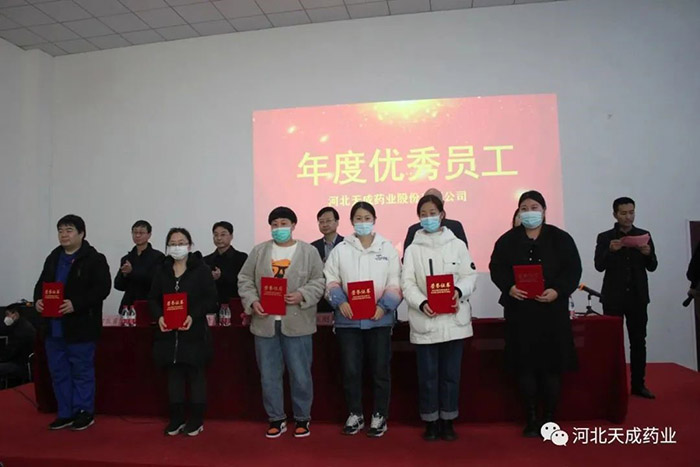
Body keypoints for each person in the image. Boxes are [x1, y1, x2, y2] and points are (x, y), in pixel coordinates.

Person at [489, 191, 582, 438]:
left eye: (534, 207)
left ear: (544, 210)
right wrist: (509, 287)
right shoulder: (507, 240)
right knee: (525, 367)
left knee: (551, 367)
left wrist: (557, 290)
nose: (529, 212)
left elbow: (573, 270)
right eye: (524, 208)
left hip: (552, 313)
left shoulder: (561, 239)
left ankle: (549, 417)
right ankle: (530, 418)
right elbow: (496, 268)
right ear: (518, 212)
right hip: (521, 313)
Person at [238, 207, 325, 439]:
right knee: (269, 375)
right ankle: (276, 418)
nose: (279, 228)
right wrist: (252, 301)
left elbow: (319, 280)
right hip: (265, 322)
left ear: (293, 225)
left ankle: (302, 418)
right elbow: (244, 279)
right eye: (274, 224)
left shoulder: (308, 251)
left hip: (298, 323)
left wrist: (302, 294)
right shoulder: (259, 251)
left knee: (300, 374)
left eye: (284, 223)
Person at [401, 195, 477, 441]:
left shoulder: (457, 245)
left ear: (442, 214)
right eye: (423, 214)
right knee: (428, 377)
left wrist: (458, 291)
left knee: (450, 376)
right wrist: (422, 303)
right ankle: (431, 421)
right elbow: (407, 283)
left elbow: (469, 276)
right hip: (426, 321)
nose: (428, 218)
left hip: (454, 321)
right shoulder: (412, 249)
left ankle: (448, 420)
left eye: (432, 213)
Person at [324, 201, 402, 438]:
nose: (363, 222)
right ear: (351, 222)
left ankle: (380, 415)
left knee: (380, 370)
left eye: (367, 218)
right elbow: (330, 279)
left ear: (374, 220)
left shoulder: (387, 248)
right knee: (350, 370)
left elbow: (395, 280)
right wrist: (340, 301)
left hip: (379, 320)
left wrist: (384, 306)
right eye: (358, 218)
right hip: (348, 321)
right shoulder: (341, 249)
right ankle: (355, 414)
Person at [33, 214, 111, 431]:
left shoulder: (94, 259)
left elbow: (102, 289)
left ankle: (84, 412)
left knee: (81, 371)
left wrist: (76, 304)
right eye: (60, 231)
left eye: (69, 230)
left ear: (81, 234)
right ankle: (65, 413)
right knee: (58, 372)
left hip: (80, 327)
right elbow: (41, 284)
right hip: (53, 327)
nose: (64, 235)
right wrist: (38, 300)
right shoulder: (53, 257)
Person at [149, 228, 217, 437]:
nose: (177, 247)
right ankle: (176, 418)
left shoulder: (201, 270)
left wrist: (192, 315)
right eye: (173, 243)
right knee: (174, 376)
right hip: (168, 334)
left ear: (189, 245)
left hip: (194, 332)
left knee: (195, 375)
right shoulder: (162, 270)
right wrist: (159, 316)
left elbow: (211, 300)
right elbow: (152, 299)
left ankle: (196, 420)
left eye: (181, 242)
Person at [595, 197, 658, 399]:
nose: (628, 217)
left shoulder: (644, 235)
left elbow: (653, 266)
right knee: (612, 343)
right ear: (615, 214)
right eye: (623, 213)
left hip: (638, 297)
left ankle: (638, 384)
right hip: (614, 297)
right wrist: (610, 251)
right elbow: (598, 265)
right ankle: (614, 387)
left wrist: (648, 254)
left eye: (631, 212)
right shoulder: (605, 237)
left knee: (638, 341)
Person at [114, 220, 165, 311]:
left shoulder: (158, 257)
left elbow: (155, 281)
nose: (137, 235)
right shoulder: (127, 258)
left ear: (149, 235)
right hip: (129, 305)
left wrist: (132, 272)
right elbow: (118, 286)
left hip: (149, 304)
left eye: (141, 233)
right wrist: (124, 275)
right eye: (135, 232)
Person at [403, 188, 468, 254]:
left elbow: (463, 254)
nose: (430, 204)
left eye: (432, 213)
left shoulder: (455, 227)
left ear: (442, 203)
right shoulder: (414, 230)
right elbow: (406, 257)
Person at [203, 221, 248, 307]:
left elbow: (243, 282)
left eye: (223, 234)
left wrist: (220, 277)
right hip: (212, 305)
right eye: (216, 235)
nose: (219, 238)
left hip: (235, 305)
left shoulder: (241, 257)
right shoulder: (206, 260)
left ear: (231, 236)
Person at [311, 207, 344, 313]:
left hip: (343, 296)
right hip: (320, 298)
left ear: (337, 222)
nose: (325, 224)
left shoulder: (347, 244)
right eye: (321, 222)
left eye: (328, 221)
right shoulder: (312, 247)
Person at [0, 303, 37, 381]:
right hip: (22, 362)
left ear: (16, 314)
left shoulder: (21, 331)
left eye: (8, 314)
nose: (6, 317)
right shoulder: (22, 325)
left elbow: (10, 353)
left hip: (20, 365)